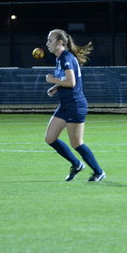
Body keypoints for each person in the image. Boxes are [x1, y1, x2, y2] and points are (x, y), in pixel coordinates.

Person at [44, 29, 105, 181]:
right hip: (65, 105)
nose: (47, 44)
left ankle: (99, 172)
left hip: (75, 105)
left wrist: (52, 80)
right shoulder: (60, 58)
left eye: (50, 40)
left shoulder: (66, 58)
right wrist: (56, 87)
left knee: (76, 143)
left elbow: (71, 82)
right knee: (50, 138)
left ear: (60, 42)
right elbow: (67, 79)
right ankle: (77, 164)